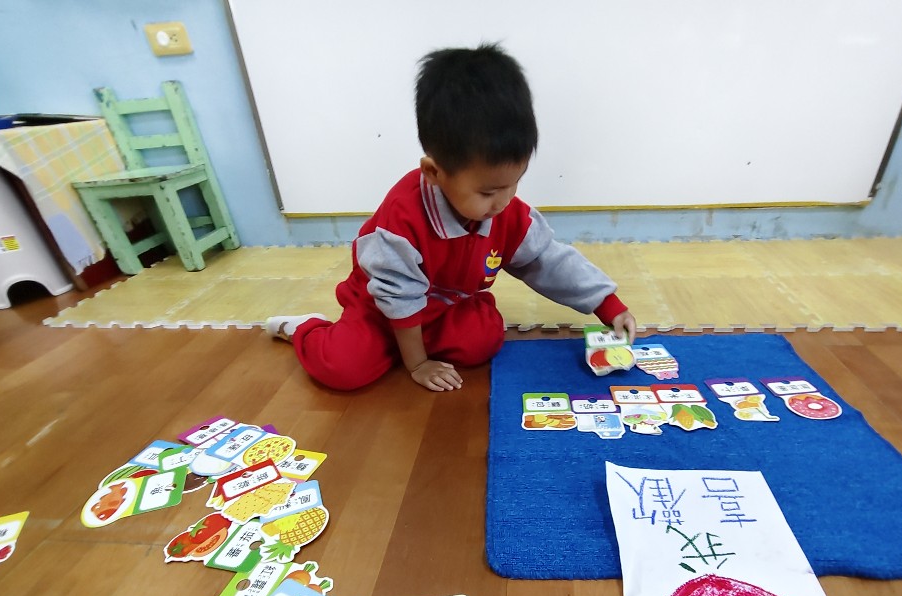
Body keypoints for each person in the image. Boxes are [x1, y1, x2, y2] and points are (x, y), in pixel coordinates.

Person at [266, 43, 637, 392]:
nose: (503, 202)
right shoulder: (399, 225)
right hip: (379, 309)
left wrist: (607, 304)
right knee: (342, 367)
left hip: (441, 308)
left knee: (482, 342)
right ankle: (304, 328)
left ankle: (420, 337)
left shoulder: (507, 211)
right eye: (487, 192)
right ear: (434, 172)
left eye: (513, 184)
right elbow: (398, 299)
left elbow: (547, 259)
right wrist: (417, 364)